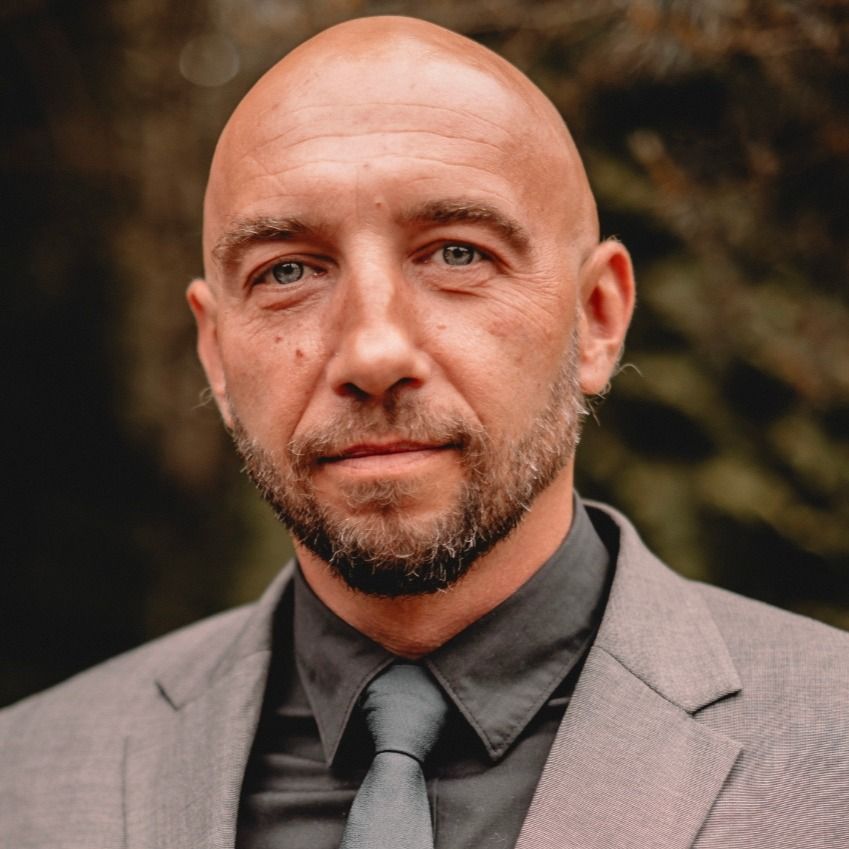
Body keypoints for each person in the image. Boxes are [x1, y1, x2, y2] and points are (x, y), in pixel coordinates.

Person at [2, 16, 847, 849]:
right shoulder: (25, 781)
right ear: (216, 354)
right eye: (286, 270)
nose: (373, 351)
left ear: (596, 318)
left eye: (457, 253)